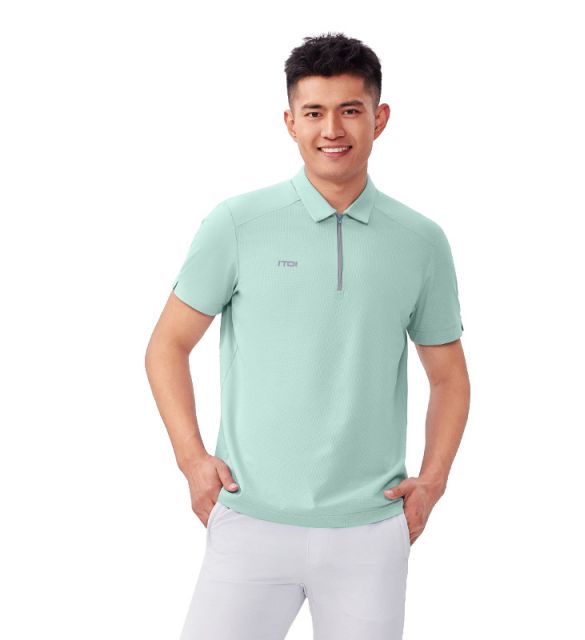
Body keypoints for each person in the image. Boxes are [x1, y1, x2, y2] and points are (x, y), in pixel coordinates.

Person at [145, 31, 470, 640]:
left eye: (350, 110)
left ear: (379, 118)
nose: (332, 130)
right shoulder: (238, 224)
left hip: (370, 531)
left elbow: (449, 378)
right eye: (315, 112)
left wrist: (433, 482)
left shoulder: (421, 242)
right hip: (249, 519)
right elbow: (167, 346)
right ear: (290, 121)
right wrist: (192, 462)